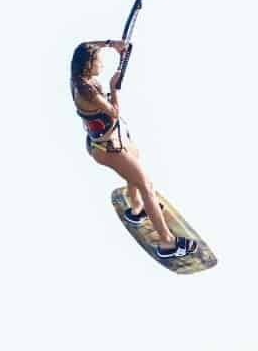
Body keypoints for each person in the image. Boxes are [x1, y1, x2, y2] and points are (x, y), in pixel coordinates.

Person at [70, 39, 198, 259]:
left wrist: (112, 44)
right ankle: (168, 244)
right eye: (99, 61)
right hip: (109, 148)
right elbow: (114, 111)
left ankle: (137, 209)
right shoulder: (88, 91)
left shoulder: (78, 76)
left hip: (114, 138)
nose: (101, 65)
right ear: (88, 63)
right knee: (146, 186)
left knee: (135, 177)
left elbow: (84, 46)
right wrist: (113, 87)